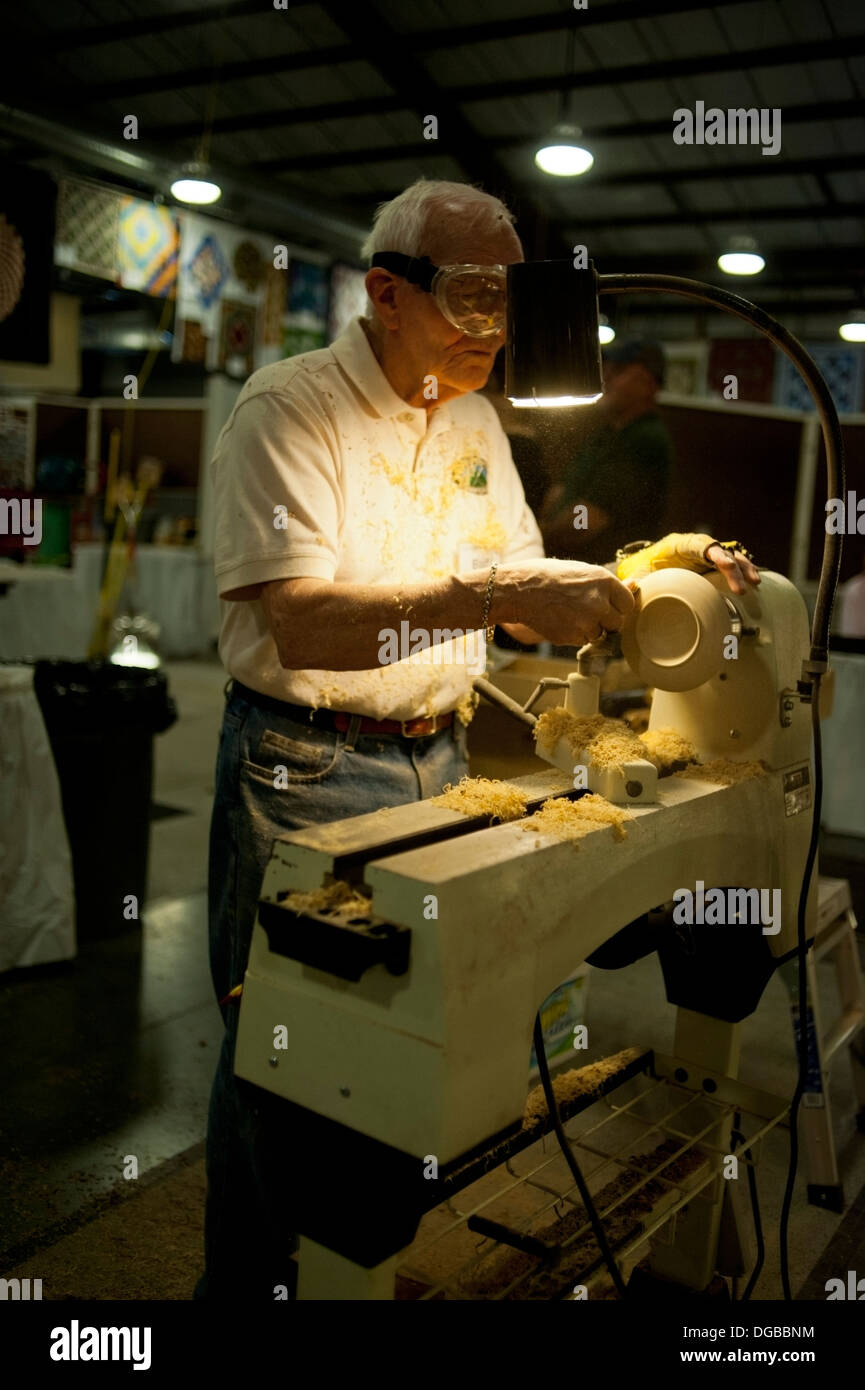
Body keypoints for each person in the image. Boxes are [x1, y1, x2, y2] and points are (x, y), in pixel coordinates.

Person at [198, 178, 759, 1300]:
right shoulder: (287, 408)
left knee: (406, 1036)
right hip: (306, 760)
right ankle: (253, 1287)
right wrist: (488, 589)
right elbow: (301, 616)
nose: (493, 334)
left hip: (437, 753)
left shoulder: (472, 418)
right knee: (292, 1050)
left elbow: (517, 584)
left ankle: (356, 1262)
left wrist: (645, 568)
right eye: (469, 301)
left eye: (512, 306)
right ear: (385, 292)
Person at [540, 339, 674, 563]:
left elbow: (584, 524)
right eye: (606, 368)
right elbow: (560, 490)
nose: (606, 377)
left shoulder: (644, 439)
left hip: (610, 572)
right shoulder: (608, 432)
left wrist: (535, 539)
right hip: (572, 562)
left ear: (649, 385)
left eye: (618, 371)